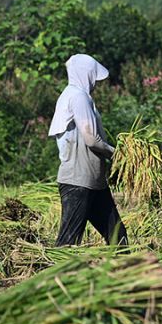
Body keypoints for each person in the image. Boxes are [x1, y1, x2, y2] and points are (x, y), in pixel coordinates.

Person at [48, 54, 128, 246]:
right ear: (86, 74)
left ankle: (124, 274)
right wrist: (116, 154)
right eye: (94, 76)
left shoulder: (75, 95)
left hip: (94, 182)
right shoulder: (78, 97)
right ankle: (57, 276)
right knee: (68, 243)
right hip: (78, 182)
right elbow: (92, 139)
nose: (96, 83)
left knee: (118, 235)